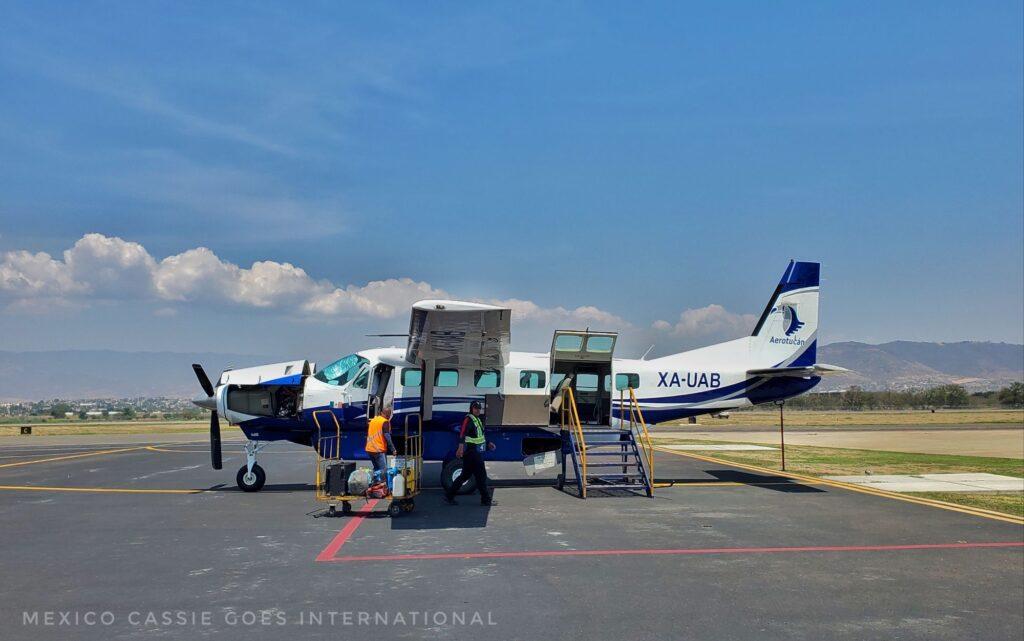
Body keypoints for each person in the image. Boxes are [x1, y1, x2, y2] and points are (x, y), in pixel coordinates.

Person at [443, 401, 497, 506]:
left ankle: (449, 495)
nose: (477, 410)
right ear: (471, 408)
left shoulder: (478, 420)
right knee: (481, 475)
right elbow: (462, 433)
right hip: (472, 452)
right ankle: (485, 500)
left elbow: (480, 435)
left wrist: (488, 443)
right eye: (475, 408)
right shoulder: (468, 419)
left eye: (479, 408)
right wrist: (460, 447)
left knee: (465, 475)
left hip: (475, 452)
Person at [365, 406, 396, 483]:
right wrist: (393, 449)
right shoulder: (385, 422)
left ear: (381, 413)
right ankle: (383, 486)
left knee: (376, 469)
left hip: (369, 449)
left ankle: (375, 486)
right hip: (378, 450)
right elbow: (387, 437)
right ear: (389, 415)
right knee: (383, 470)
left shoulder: (373, 420)